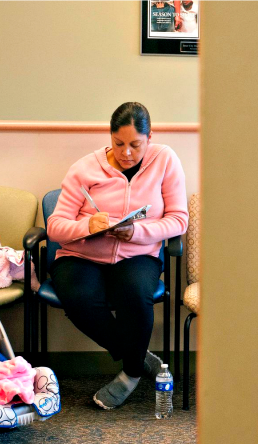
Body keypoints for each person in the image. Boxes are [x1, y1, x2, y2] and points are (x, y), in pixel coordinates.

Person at [47, 102, 189, 409]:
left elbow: (179, 220)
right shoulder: (84, 168)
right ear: (110, 138)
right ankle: (137, 357)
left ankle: (129, 374)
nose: (126, 153)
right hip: (81, 255)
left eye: (135, 145)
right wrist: (87, 226)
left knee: (136, 295)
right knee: (79, 299)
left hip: (137, 253)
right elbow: (55, 227)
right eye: (119, 144)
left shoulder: (165, 160)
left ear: (149, 137)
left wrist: (135, 232)